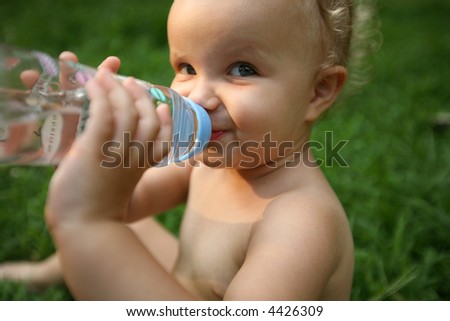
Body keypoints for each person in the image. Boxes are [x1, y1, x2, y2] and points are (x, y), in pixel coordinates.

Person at [0, 0, 357, 300]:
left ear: (317, 91)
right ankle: (48, 271)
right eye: (187, 67)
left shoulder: (300, 222)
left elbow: (105, 215)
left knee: (102, 226)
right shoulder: (204, 161)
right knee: (135, 228)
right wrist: (81, 146)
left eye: (242, 69)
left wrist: (89, 223)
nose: (197, 97)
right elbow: (123, 204)